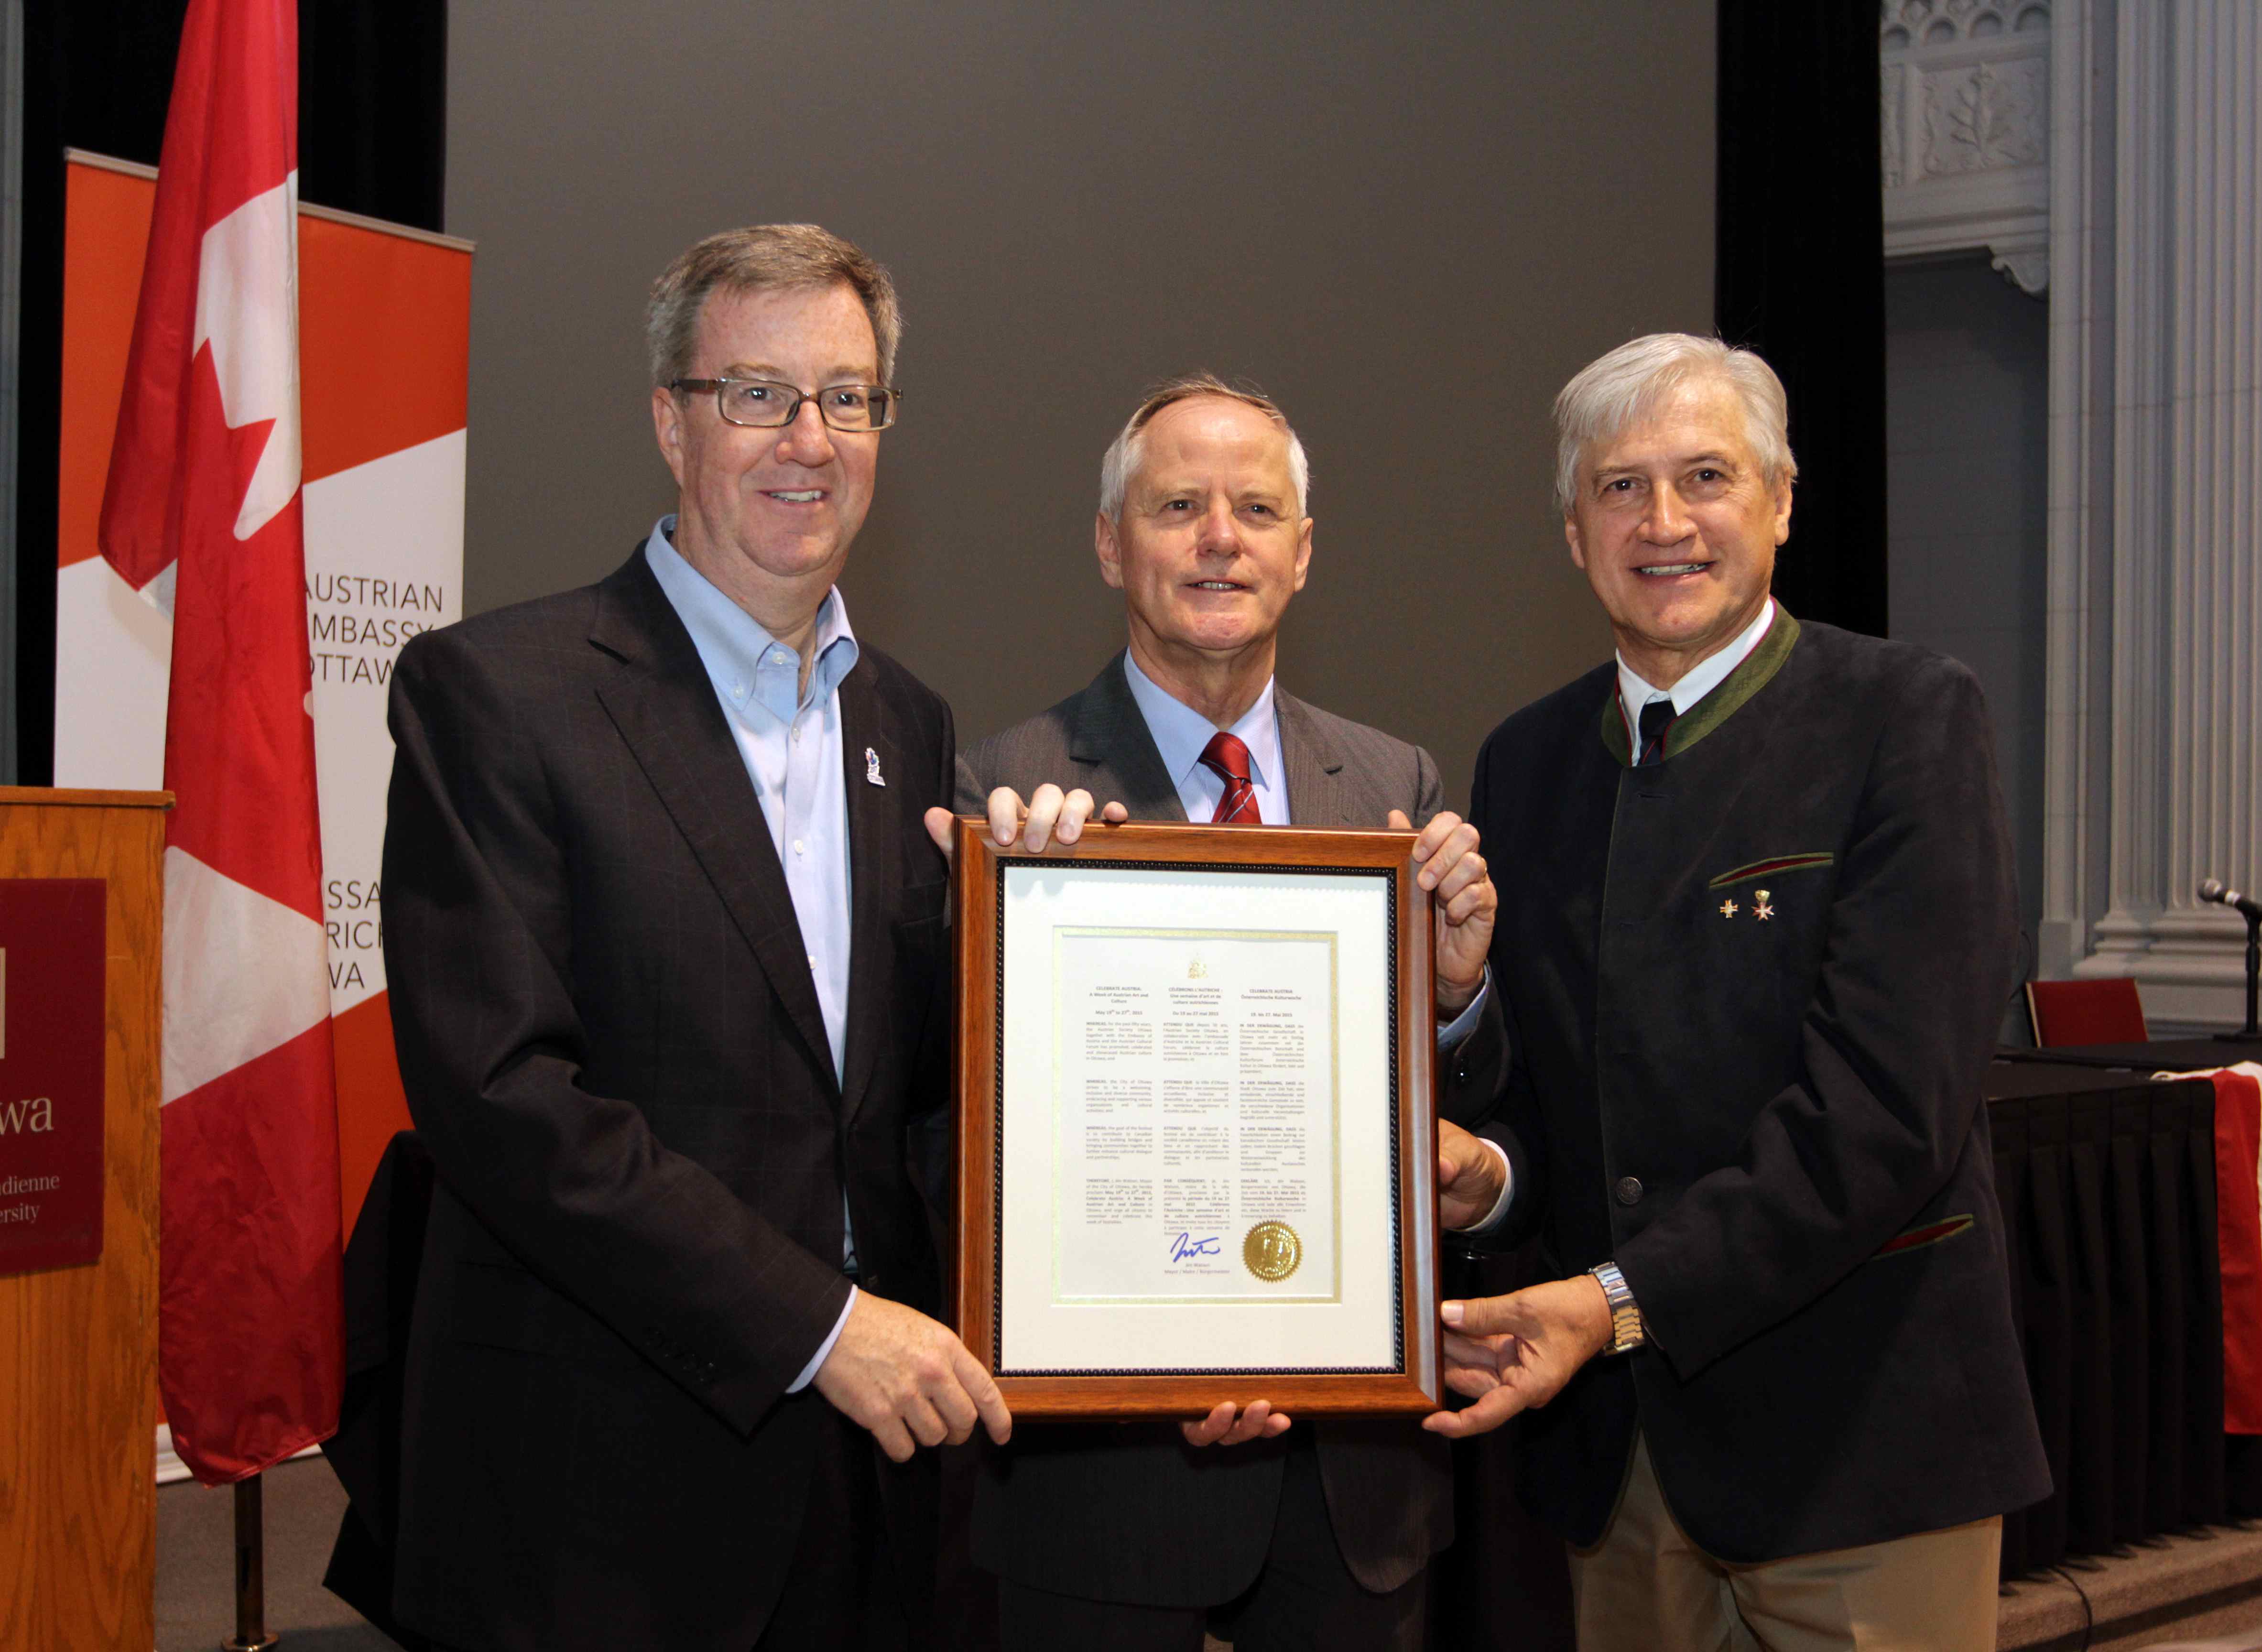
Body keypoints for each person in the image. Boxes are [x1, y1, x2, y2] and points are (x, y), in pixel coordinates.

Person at [374, 224, 1012, 1652]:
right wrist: (823, 1327)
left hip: (873, 1494)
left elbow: (903, 1100)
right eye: (757, 394)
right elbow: (504, 1102)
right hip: (604, 1494)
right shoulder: (498, 693)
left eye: (848, 397)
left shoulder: (905, 725)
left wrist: (1037, 933)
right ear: (672, 423)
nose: (809, 438)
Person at [1425, 334, 2050, 1652]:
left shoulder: (1906, 718)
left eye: (1705, 476)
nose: (1664, 523)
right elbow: (1548, 1102)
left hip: (1862, 1450)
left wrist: (1612, 1299)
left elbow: (1886, 1113)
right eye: (1619, 487)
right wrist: (1487, 1164)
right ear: (1571, 529)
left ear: (1779, 501)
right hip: (1616, 1461)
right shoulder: (1526, 760)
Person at [942, 374, 1511, 1651]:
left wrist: (1459, 996)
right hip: (1097, 1497)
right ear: (1110, 544)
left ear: (1302, 555)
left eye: (1257, 508)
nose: (1220, 538)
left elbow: (1454, 1117)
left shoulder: (1392, 785)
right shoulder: (1007, 797)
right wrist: (1155, 1365)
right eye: (1178, 505)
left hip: (1354, 1491)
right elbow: (959, 1144)